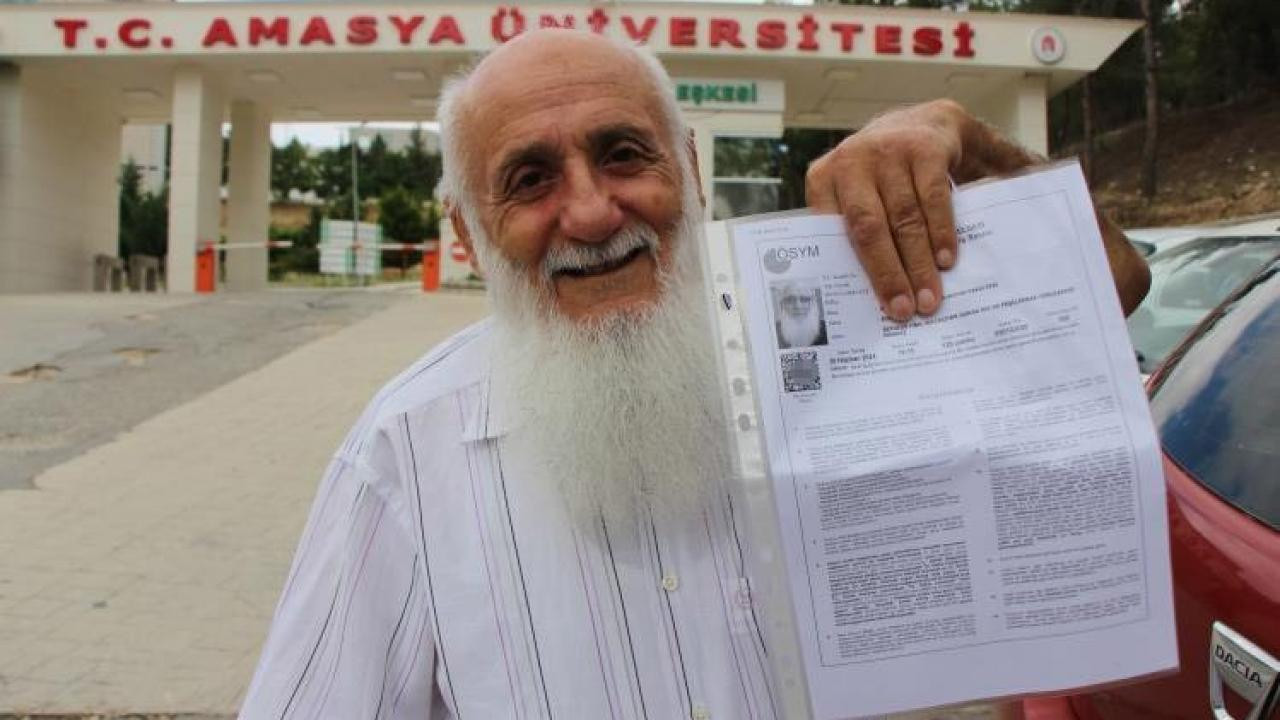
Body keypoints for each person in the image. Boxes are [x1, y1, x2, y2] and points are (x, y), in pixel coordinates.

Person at [238, 30, 1149, 720]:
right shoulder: (405, 454)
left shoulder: (833, 337)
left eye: (623, 154)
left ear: (692, 171)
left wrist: (968, 143)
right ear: (467, 235)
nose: (592, 213)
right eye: (530, 179)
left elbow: (1117, 286)